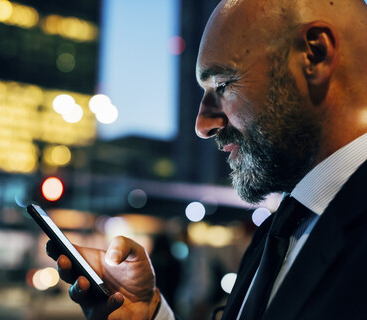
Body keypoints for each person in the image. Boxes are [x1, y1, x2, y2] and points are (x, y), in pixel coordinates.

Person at [46, 0, 367, 319]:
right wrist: (148, 314)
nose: (202, 125)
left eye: (223, 84)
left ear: (315, 55)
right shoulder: (279, 231)